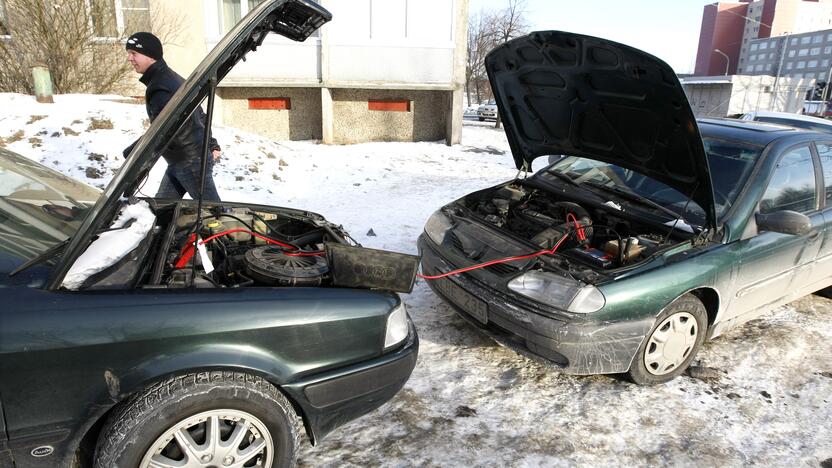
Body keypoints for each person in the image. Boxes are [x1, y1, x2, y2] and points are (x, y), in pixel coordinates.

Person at [123, 32, 222, 201]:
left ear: (150, 55)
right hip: (184, 159)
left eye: (134, 53)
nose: (130, 59)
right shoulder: (169, 78)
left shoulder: (160, 87)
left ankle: (236, 228)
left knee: (213, 213)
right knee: (163, 208)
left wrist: (132, 153)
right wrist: (212, 144)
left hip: (189, 161)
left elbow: (163, 130)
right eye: (129, 53)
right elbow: (198, 112)